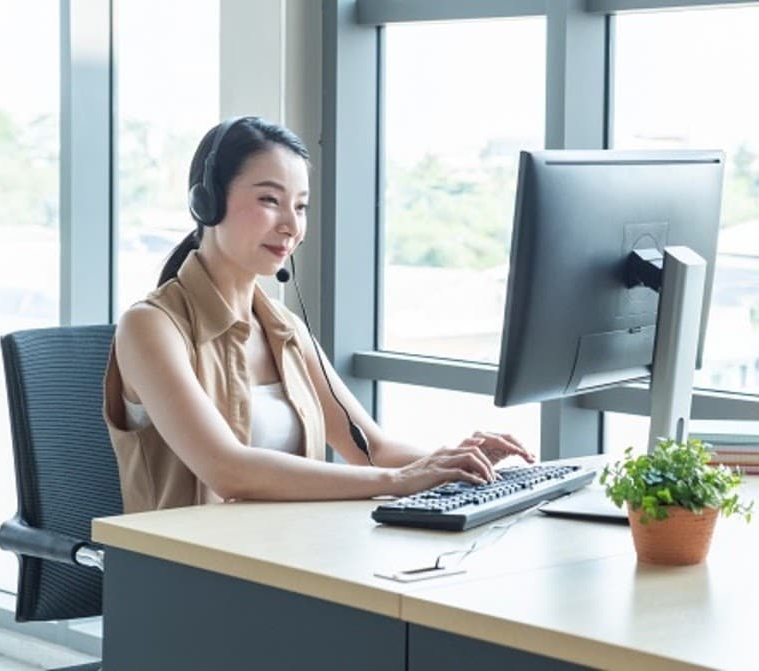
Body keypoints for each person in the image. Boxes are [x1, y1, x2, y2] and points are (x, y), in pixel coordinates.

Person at [104, 116, 533, 513]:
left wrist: (465, 464)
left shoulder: (283, 329)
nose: (291, 225)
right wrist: (397, 481)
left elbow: (371, 449)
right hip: (186, 576)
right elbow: (226, 469)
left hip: (292, 559)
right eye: (270, 200)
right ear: (208, 202)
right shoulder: (151, 326)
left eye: (302, 206)